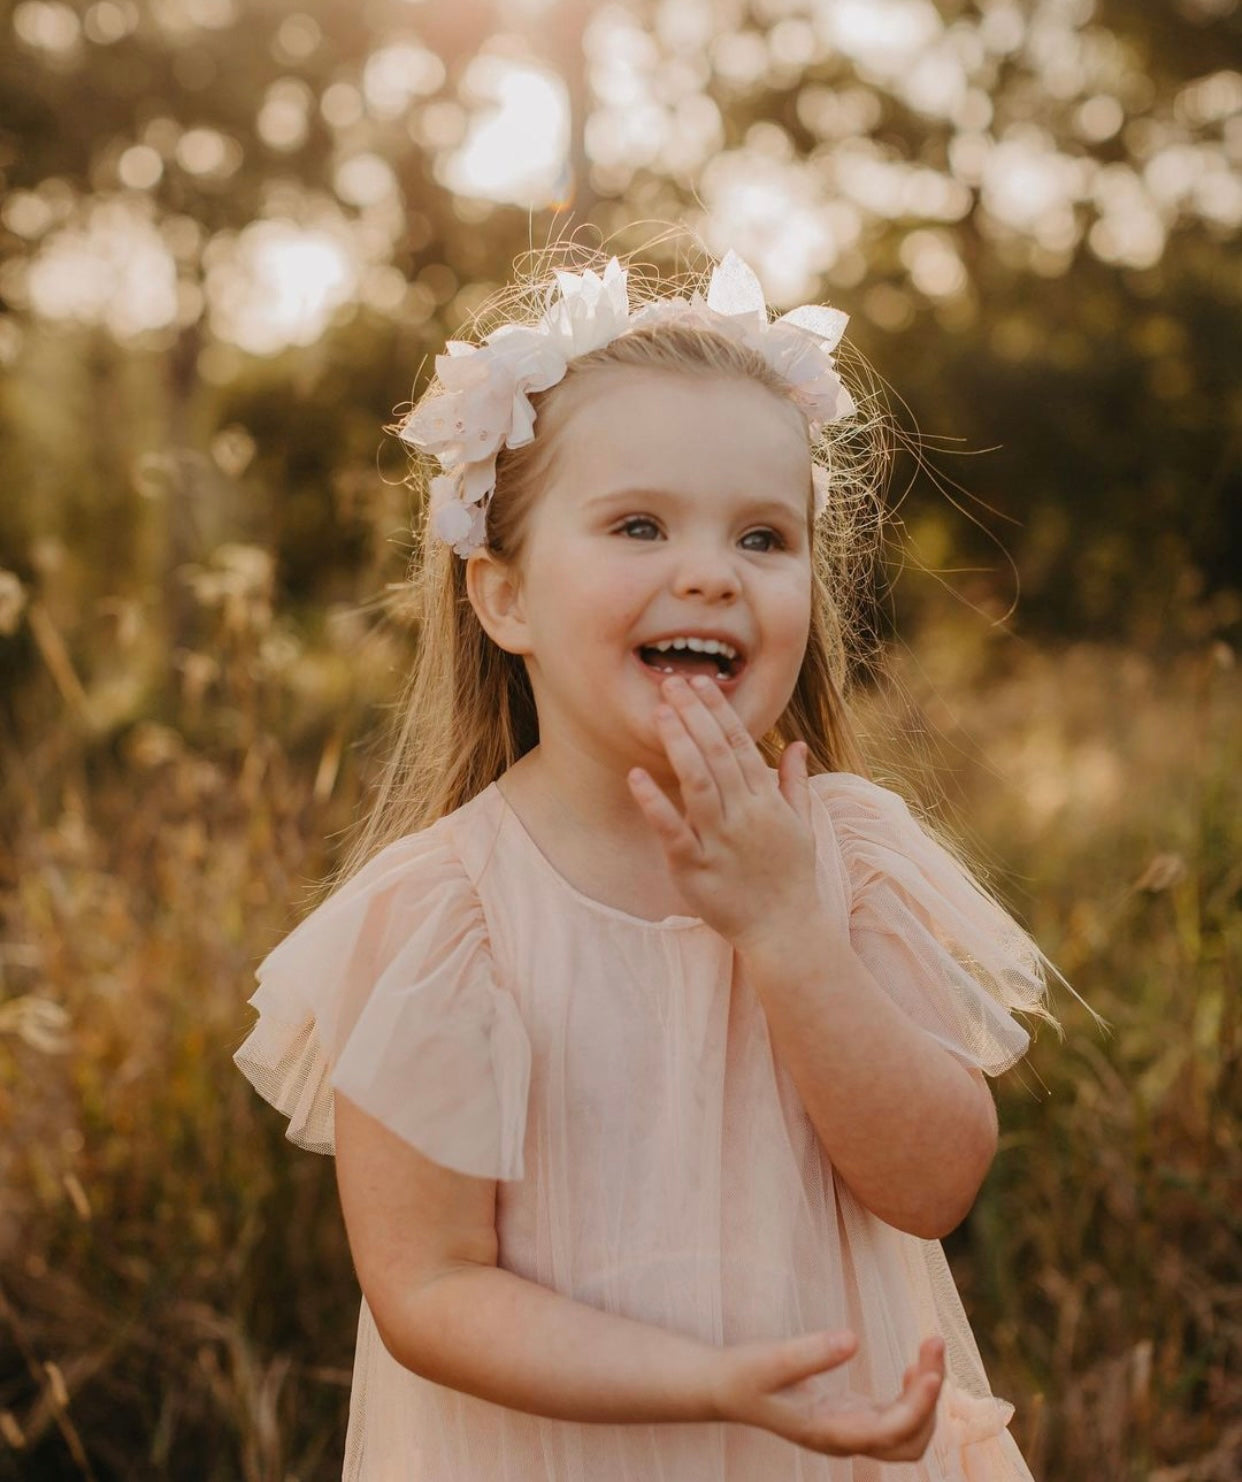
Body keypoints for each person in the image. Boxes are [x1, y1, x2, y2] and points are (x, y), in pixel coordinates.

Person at [233, 243, 1087, 1481]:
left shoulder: (845, 854)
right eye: (640, 524)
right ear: (505, 599)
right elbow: (429, 1289)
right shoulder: (446, 917)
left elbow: (937, 1179)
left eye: (763, 537)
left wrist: (788, 931)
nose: (710, 572)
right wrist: (715, 1389)